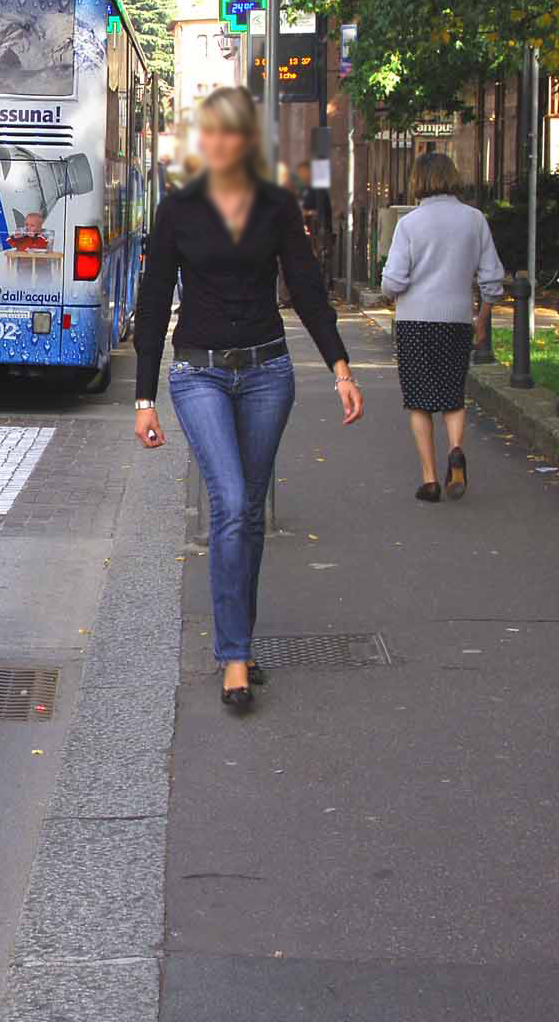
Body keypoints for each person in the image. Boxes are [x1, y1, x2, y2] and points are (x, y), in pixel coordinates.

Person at [134, 87, 364, 711]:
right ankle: (234, 656)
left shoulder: (276, 206)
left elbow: (309, 287)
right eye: (212, 133)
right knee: (231, 502)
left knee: (250, 513)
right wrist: (143, 398)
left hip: (267, 373)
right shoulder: (179, 209)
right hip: (198, 374)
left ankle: (243, 643)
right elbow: (154, 301)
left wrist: (341, 366)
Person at [380, 151, 506, 502]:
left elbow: (393, 281)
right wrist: (481, 319)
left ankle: (430, 478)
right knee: (453, 396)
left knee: (418, 402)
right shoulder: (475, 220)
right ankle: (455, 449)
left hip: (416, 322)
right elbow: (492, 278)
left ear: (418, 181)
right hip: (456, 319)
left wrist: (388, 292)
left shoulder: (409, 223)